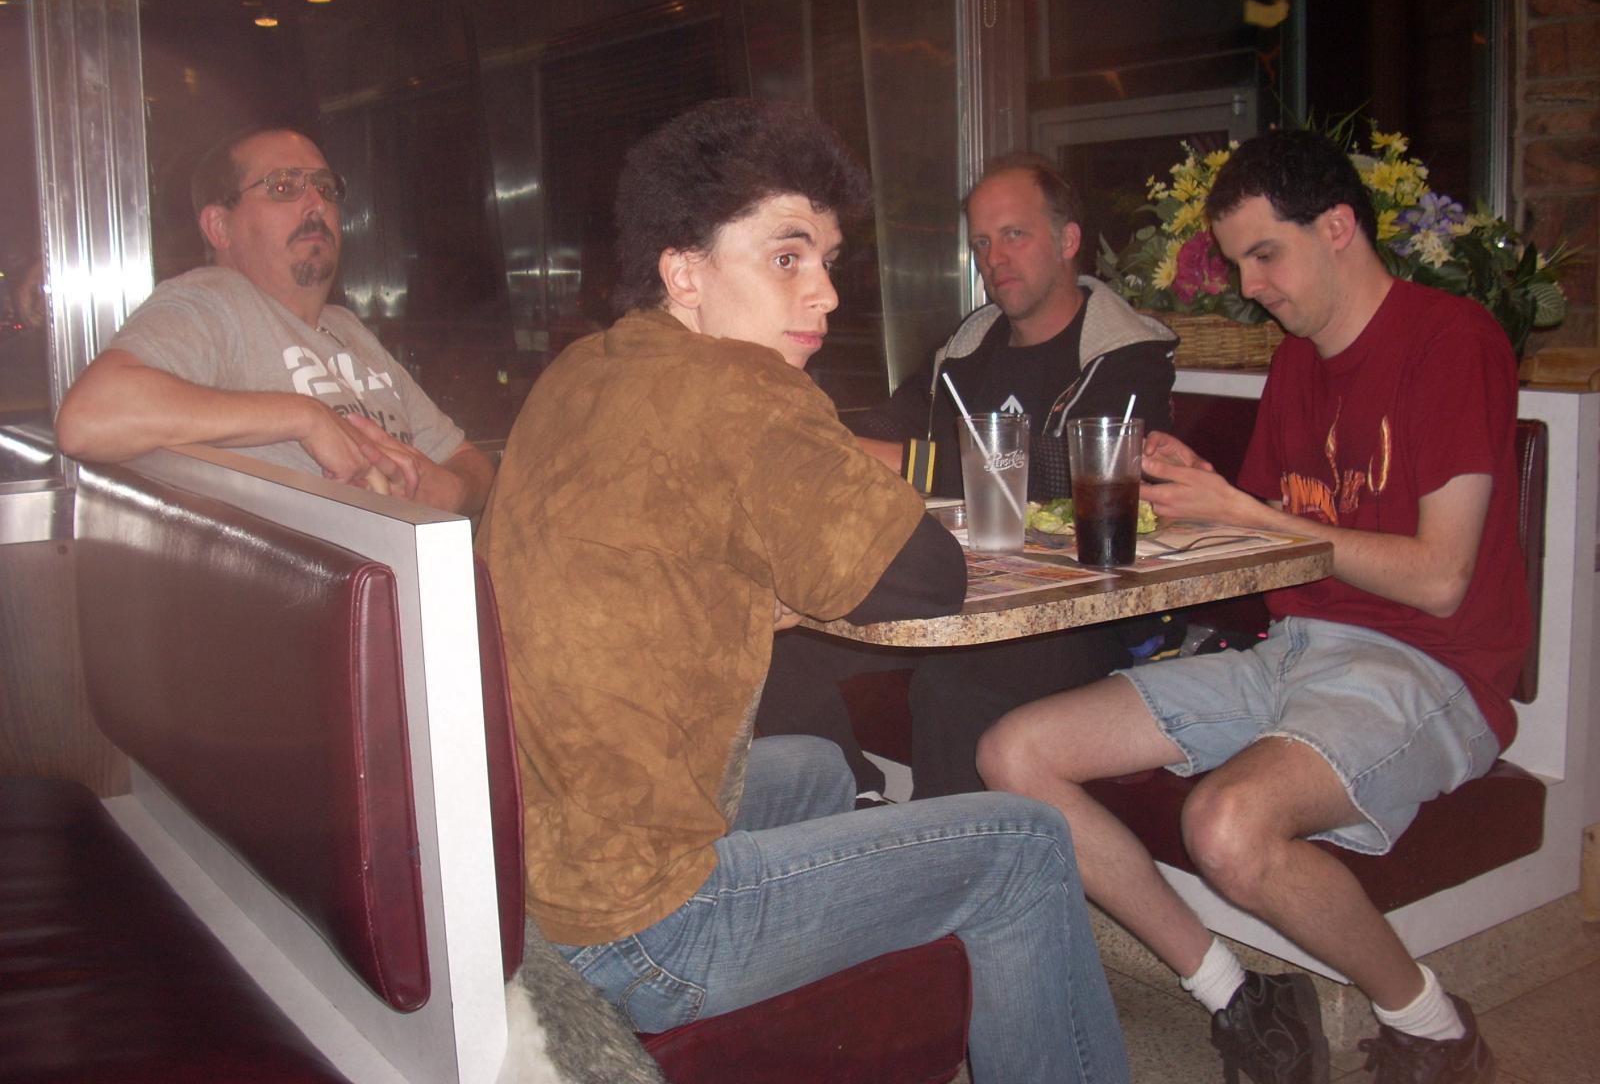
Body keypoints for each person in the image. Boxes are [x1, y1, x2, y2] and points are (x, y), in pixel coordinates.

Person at [476, 98, 1129, 1083]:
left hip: (534, 868)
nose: (822, 294)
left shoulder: (583, 368)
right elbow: (928, 578)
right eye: (786, 257)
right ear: (684, 271)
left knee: (820, 771)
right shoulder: (742, 387)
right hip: (641, 924)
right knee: (1025, 846)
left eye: (825, 260)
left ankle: (847, 1019)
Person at [978, 129, 1523, 1084]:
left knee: (1226, 826)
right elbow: (1277, 538)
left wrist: (1246, 511)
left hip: (1431, 670)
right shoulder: (1299, 364)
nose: (1251, 286)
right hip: (1295, 650)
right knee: (1014, 754)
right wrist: (1204, 491)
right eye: (1236, 264)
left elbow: (1441, 576)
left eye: (1265, 254)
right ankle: (1235, 993)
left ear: (1339, 226)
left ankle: (1436, 1029)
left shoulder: (1451, 339)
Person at [759, 152, 1178, 799]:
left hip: (1074, 612)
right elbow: (891, 422)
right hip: (951, 584)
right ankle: (857, 806)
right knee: (768, 643)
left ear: (1068, 240)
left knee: (954, 682)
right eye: (981, 243)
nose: (994, 258)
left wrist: (903, 461)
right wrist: (807, 425)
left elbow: (1080, 474)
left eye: (1014, 235)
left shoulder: (1124, 355)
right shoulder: (967, 347)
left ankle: (956, 851)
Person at [55, 127, 494, 516]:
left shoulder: (348, 329)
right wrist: (305, 417)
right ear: (219, 226)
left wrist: (449, 490)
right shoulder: (215, 300)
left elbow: (470, 462)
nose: (316, 203)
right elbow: (87, 419)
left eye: (325, 187)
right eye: (284, 186)